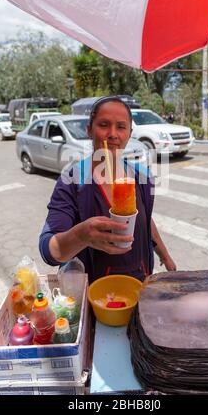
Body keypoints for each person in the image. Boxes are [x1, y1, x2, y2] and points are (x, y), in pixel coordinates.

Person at [39, 96, 176, 283]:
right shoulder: (72, 181)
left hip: (139, 282)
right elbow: (48, 249)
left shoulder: (140, 177)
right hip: (96, 295)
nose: (113, 134)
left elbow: (144, 220)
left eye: (121, 127)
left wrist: (165, 255)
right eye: (103, 125)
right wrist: (81, 236)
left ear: (129, 133)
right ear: (89, 130)